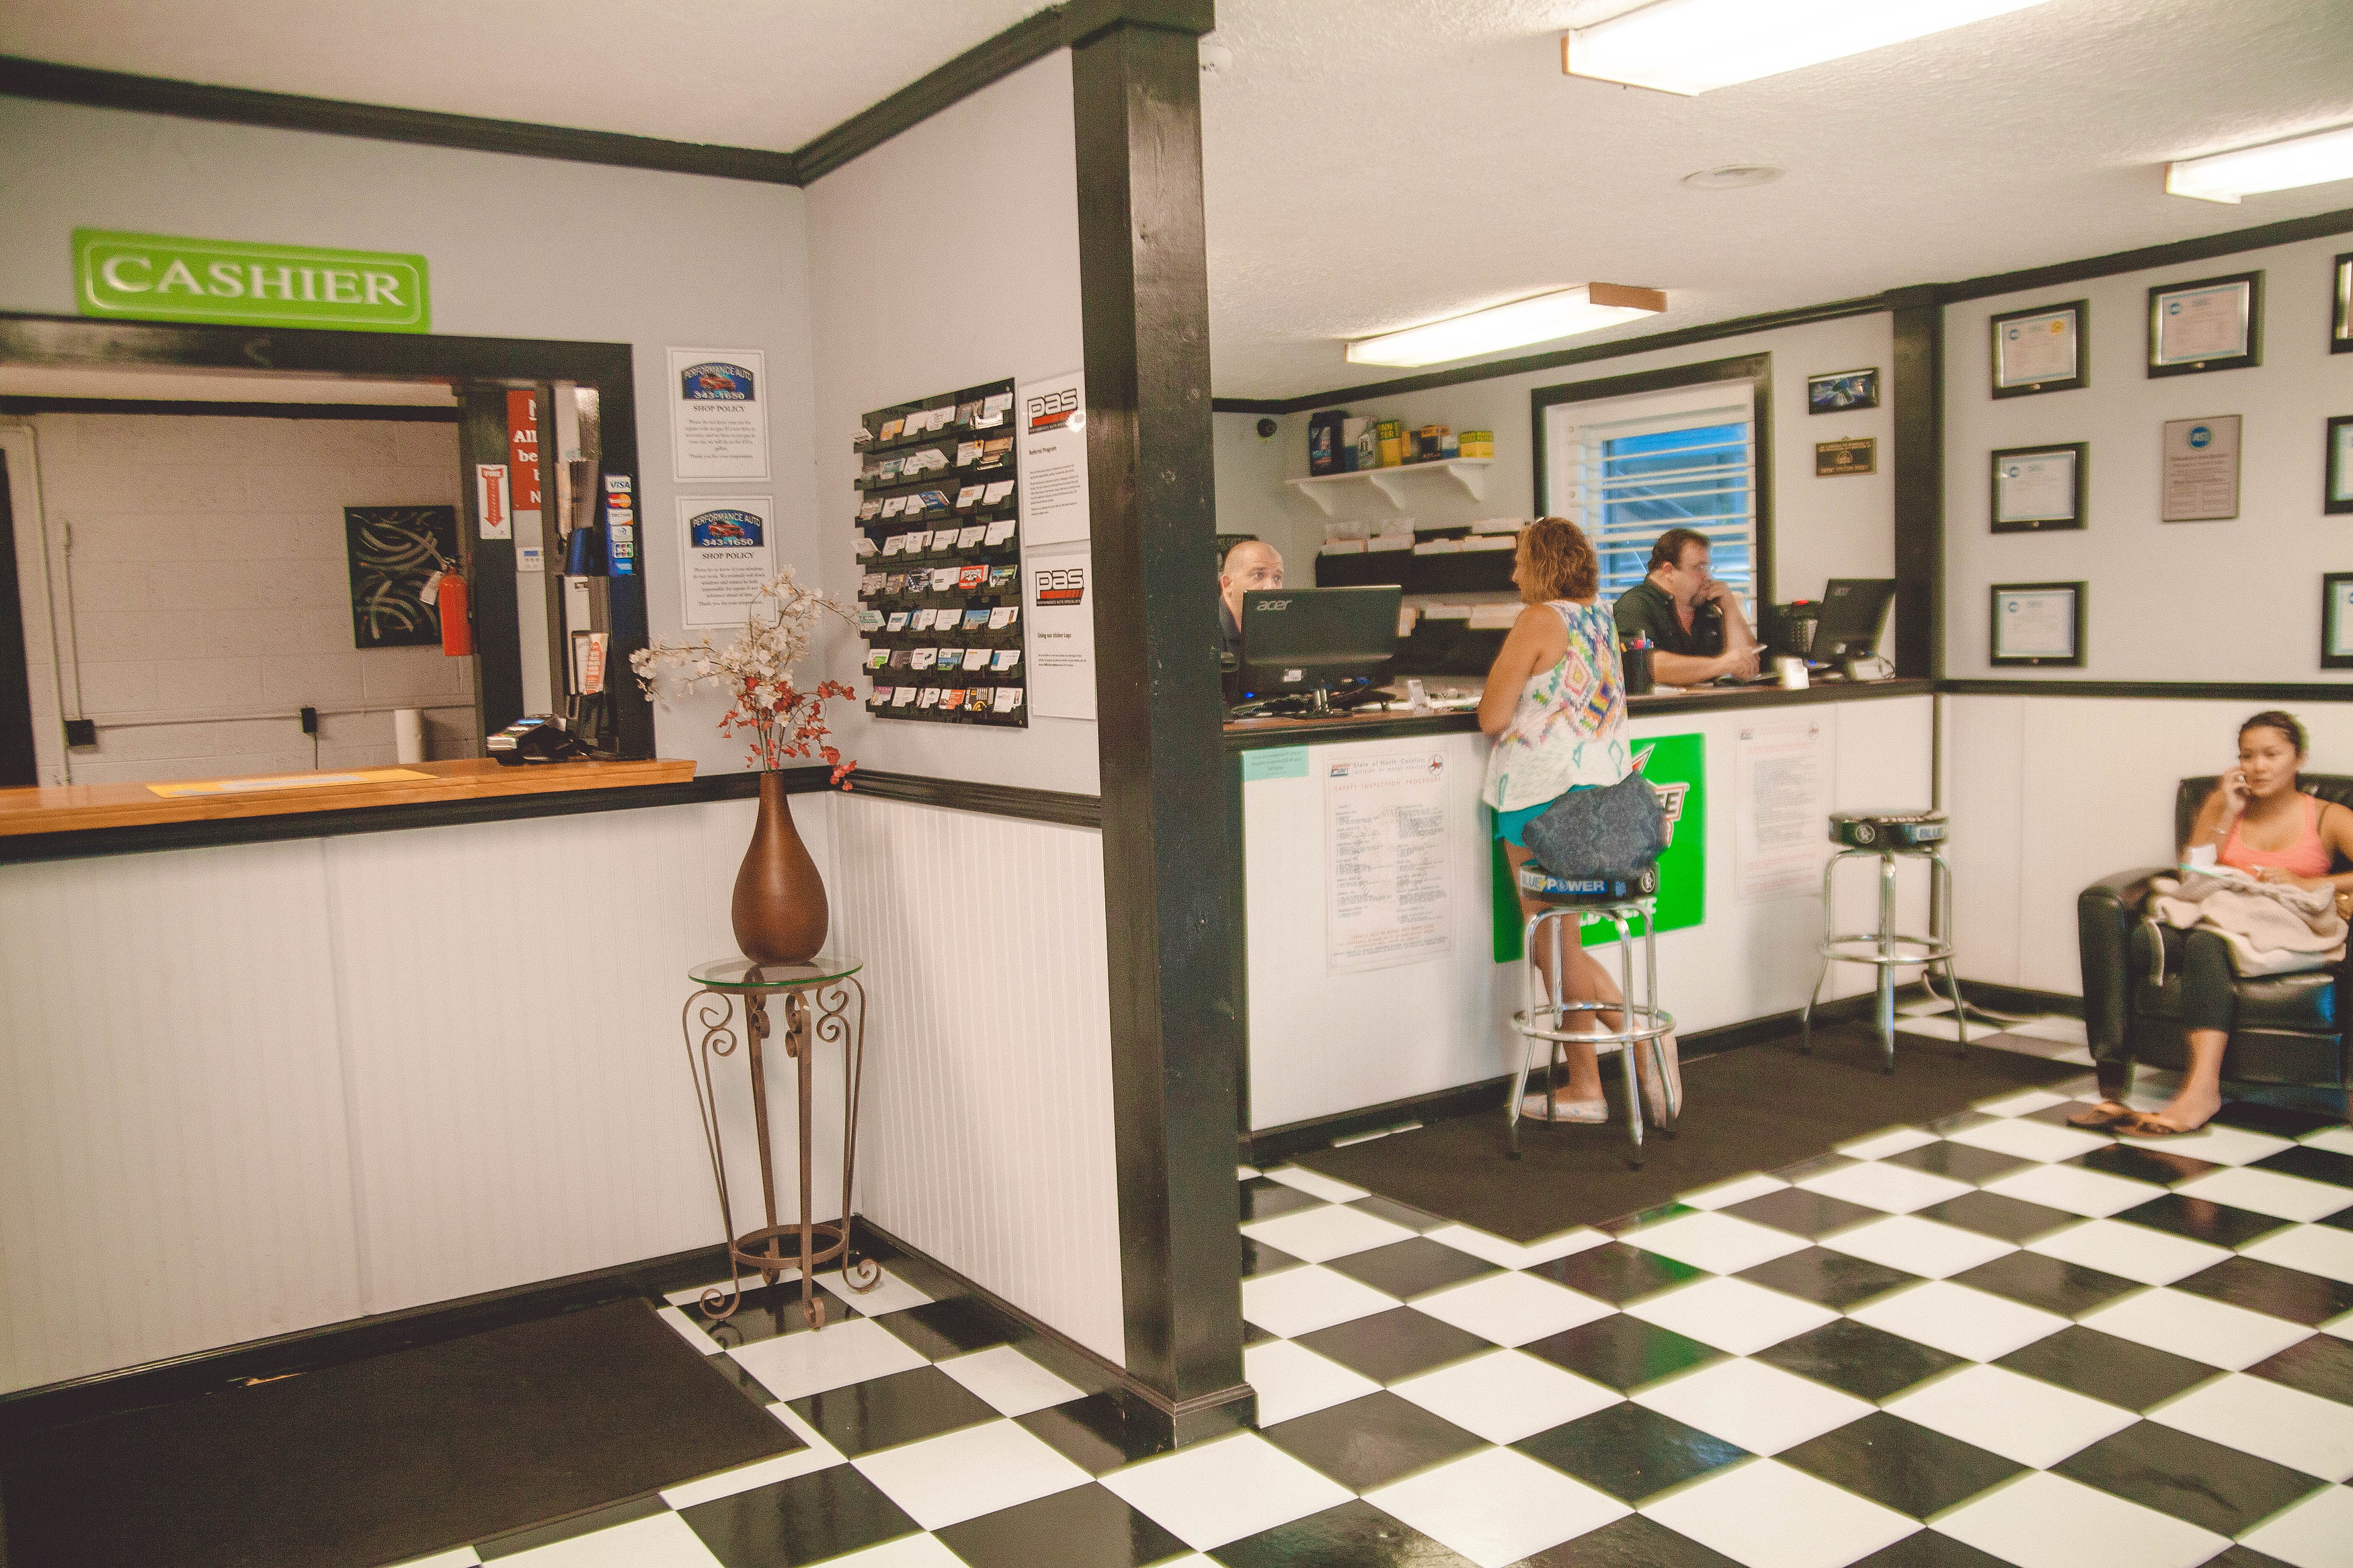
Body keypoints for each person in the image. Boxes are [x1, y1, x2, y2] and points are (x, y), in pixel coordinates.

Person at [1480, 516, 1680, 1124]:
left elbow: (1492, 716)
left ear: (1541, 564)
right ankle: (1621, 1055)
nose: (1513, 572)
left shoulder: (1538, 620)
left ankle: (1603, 1071)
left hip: (1538, 796)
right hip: (1602, 797)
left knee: (1551, 940)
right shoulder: (1600, 618)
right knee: (1562, 941)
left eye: (1520, 560)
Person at [2071, 710, 2353, 1135]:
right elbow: (2192, 874)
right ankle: (2137, 1088)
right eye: (2247, 756)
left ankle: (2201, 1091)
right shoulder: (2224, 804)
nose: (2257, 767)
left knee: (2202, 942)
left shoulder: (2328, 816)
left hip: (2284, 928)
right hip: (2223, 917)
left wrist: (2308, 882)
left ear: (2299, 757)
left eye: (2271, 755)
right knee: (2173, 939)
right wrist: (2225, 813)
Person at [1611, 527, 1760, 686]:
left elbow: (1747, 664)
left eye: (1708, 568)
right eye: (1699, 568)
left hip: (1713, 701)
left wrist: (1730, 607)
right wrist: (1722, 664)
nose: (1707, 577)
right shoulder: (1635, 606)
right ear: (1669, 571)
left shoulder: (1706, 608)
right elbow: (1648, 666)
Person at [1218, 539, 1283, 657]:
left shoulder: (1283, 630)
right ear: (1227, 584)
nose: (1271, 587)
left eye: (1277, 578)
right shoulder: (1202, 633)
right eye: (1259, 575)